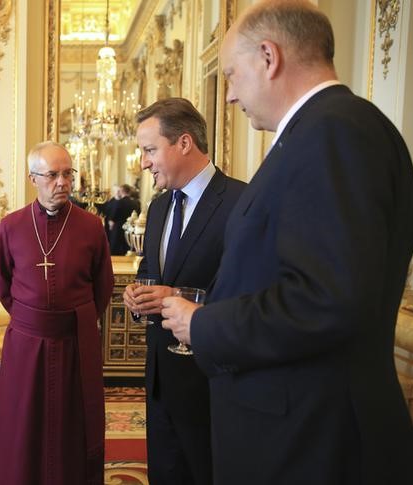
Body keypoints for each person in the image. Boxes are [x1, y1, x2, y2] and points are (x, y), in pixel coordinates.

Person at [160, 2, 413, 484]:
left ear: (268, 56)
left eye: (233, 75)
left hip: (314, 440)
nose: (231, 95)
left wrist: (205, 322)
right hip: (299, 427)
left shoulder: (335, 133)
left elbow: (326, 298)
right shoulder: (322, 131)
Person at [123, 98, 245, 485]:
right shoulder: (157, 209)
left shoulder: (241, 203)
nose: (143, 162)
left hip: (211, 380)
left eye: (149, 150)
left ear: (184, 143)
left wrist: (180, 296)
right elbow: (149, 273)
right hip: (161, 376)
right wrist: (137, 298)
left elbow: (250, 293)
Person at [0, 141, 114, 485]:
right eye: (52, 175)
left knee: (73, 424)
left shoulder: (91, 226)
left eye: (67, 174)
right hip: (26, 344)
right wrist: (34, 321)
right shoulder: (11, 226)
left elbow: (102, 286)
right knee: (24, 423)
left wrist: (71, 319)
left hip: (76, 341)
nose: (62, 182)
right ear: (33, 178)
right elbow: (3, 286)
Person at [106, 184, 139, 255]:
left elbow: (113, 215)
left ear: (121, 191)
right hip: (131, 228)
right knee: (128, 247)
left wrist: (111, 223)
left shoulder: (119, 202)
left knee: (116, 249)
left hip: (118, 228)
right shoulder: (135, 203)